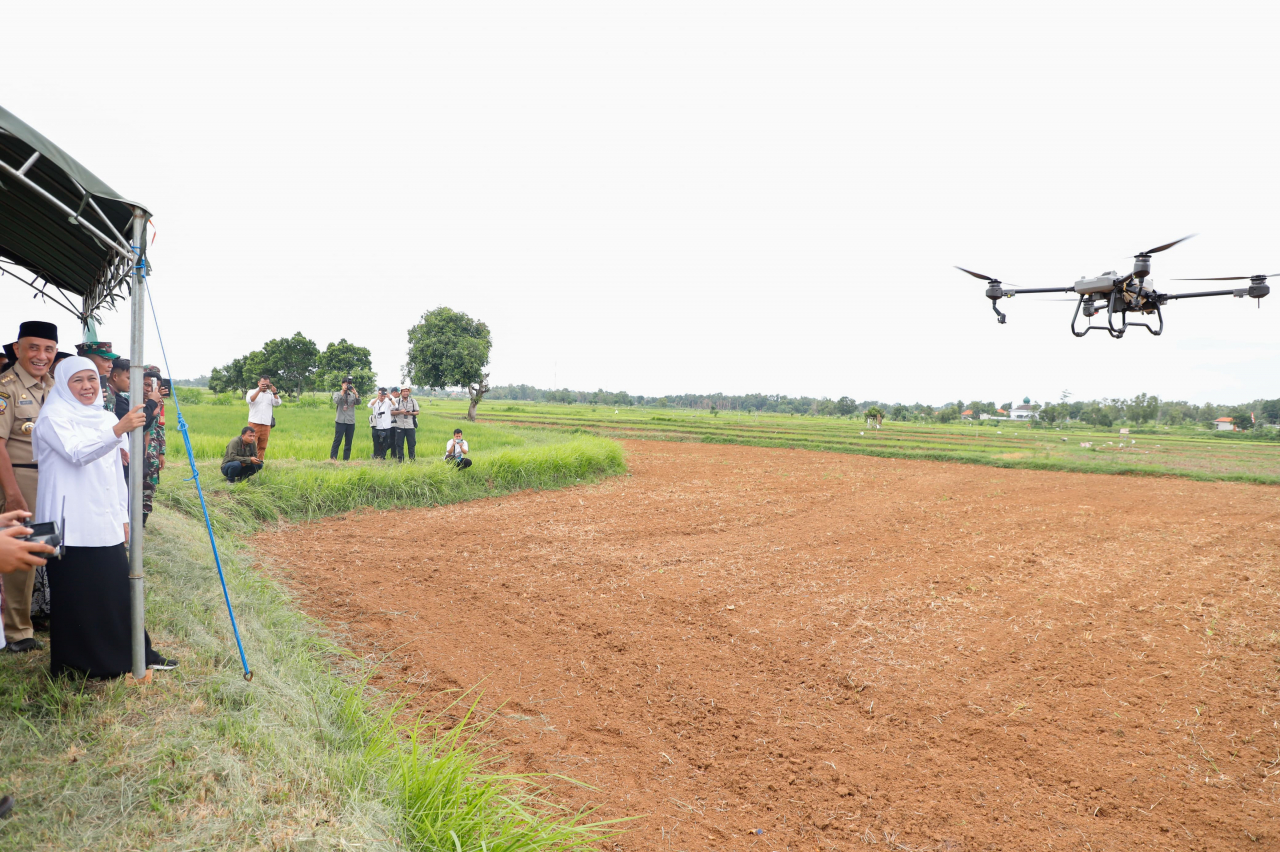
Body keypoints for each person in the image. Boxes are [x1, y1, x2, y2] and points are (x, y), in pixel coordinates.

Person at [31, 355, 177, 677]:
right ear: (63, 384)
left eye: (91, 379)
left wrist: (123, 516)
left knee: (116, 591)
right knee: (73, 595)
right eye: (78, 380)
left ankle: (133, 654)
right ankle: (76, 666)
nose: (87, 386)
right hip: (64, 522)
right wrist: (118, 429)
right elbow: (77, 453)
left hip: (102, 517)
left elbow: (115, 472)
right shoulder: (52, 417)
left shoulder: (105, 416)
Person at [0, 321, 58, 653]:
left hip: (52, 481)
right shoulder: (6, 388)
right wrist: (12, 495)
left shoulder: (54, 386)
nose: (41, 355)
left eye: (48, 349)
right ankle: (17, 630)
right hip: (21, 480)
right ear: (17, 349)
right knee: (21, 557)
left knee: (42, 550)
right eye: (33, 347)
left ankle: (39, 615)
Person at [141, 368, 168, 526]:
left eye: (154, 387)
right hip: (135, 446)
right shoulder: (128, 399)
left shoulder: (159, 403)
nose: (149, 389)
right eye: (146, 385)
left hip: (152, 446)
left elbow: (160, 427)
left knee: (150, 480)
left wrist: (161, 453)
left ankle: (143, 517)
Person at [75, 341, 120, 411]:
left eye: (111, 361)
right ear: (88, 361)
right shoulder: (74, 387)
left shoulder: (108, 387)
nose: (111, 366)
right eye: (106, 360)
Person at [246, 375, 281, 460]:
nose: (265, 386)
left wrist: (275, 393)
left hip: (266, 424)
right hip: (254, 423)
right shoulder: (252, 391)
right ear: (258, 383)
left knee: (262, 446)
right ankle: (249, 463)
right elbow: (250, 400)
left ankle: (259, 463)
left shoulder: (270, 394)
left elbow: (277, 403)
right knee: (251, 445)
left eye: (267, 384)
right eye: (263, 384)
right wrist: (259, 390)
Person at [330, 376, 360, 461]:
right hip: (340, 421)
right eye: (346, 384)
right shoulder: (337, 394)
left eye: (349, 384)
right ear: (342, 384)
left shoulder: (352, 395)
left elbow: (358, 402)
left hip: (350, 421)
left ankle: (346, 460)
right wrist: (343, 391)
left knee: (348, 442)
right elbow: (336, 401)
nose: (347, 386)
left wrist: (355, 393)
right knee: (337, 441)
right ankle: (333, 459)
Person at [391, 386, 420, 462]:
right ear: (401, 393)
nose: (405, 393)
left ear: (409, 392)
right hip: (399, 425)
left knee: (411, 444)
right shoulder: (397, 401)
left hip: (410, 425)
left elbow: (417, 412)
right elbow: (391, 412)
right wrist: (400, 412)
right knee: (399, 444)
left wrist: (411, 413)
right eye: (404, 391)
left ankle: (412, 459)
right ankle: (400, 460)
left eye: (407, 391)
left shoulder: (413, 401)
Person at [368, 387, 394, 460]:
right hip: (376, 425)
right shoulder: (374, 400)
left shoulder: (388, 401)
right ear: (378, 393)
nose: (382, 396)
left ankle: (382, 456)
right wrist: (377, 397)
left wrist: (389, 398)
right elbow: (369, 405)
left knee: (385, 442)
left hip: (386, 425)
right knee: (376, 442)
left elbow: (395, 406)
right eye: (380, 394)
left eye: (383, 394)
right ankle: (376, 456)